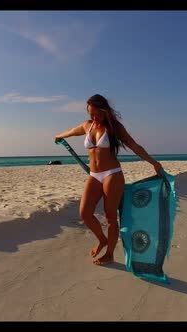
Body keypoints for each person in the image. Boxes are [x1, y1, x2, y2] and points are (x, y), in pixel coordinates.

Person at [54, 94, 163, 266]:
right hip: (94, 175)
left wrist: (153, 162)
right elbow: (73, 132)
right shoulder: (87, 125)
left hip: (112, 174)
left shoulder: (114, 127)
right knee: (85, 213)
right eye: (90, 113)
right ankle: (102, 240)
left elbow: (134, 145)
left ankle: (110, 253)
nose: (93, 117)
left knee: (110, 217)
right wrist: (59, 136)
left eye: (96, 113)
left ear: (104, 111)